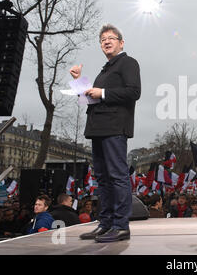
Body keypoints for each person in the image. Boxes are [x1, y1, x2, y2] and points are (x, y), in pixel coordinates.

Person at [73, 24, 141, 243]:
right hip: (98, 128)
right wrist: (79, 82)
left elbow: (133, 92)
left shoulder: (128, 63)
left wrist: (102, 92)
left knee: (117, 176)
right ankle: (105, 224)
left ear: (121, 42)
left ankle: (121, 226)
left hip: (114, 127)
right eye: (102, 39)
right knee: (102, 178)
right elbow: (90, 98)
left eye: (111, 38)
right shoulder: (105, 70)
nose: (106, 41)